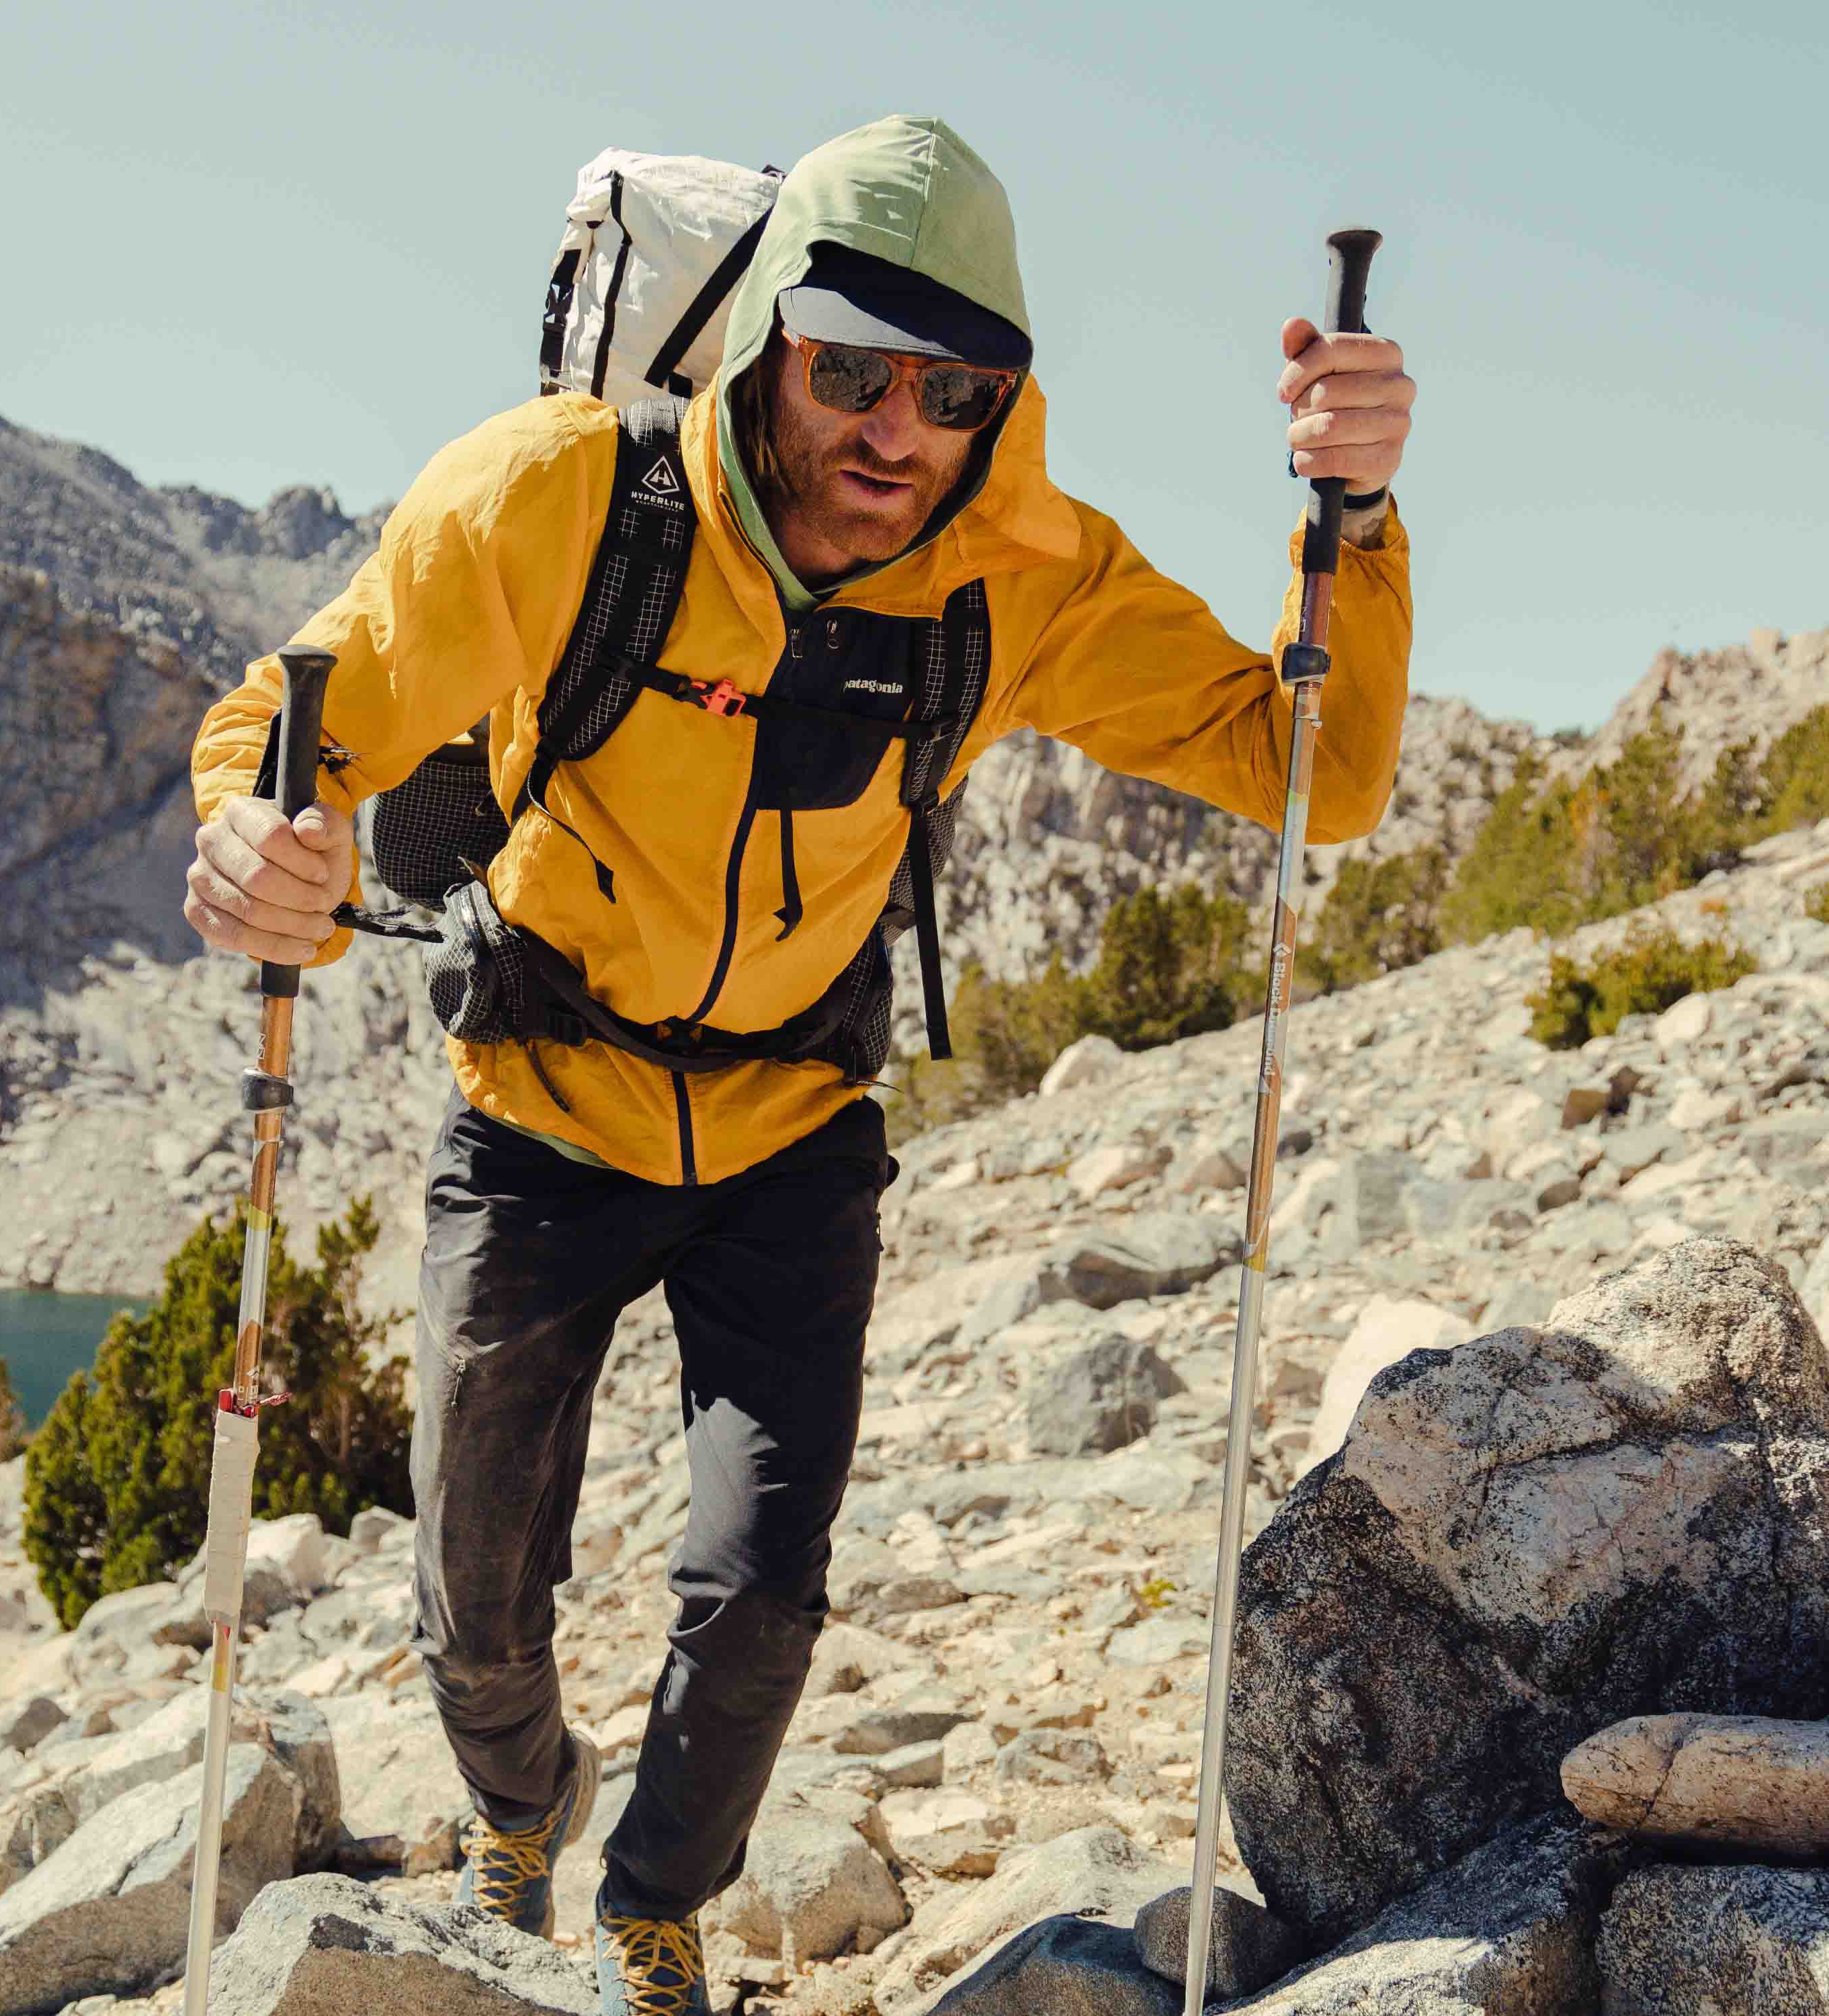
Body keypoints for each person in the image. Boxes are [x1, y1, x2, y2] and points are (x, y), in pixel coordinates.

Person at [186, 113, 1414, 2016]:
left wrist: (1355, 523)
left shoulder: (1027, 578)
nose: (895, 431)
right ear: (765, 346)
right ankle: (525, 1796)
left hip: (791, 1133)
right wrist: (258, 847)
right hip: (537, 1106)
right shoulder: (558, 504)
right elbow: (297, 724)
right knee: (473, 1596)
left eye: (953, 389)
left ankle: (653, 1910)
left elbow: (1315, 768)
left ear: (1000, 403)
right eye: (850, 371)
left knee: (762, 1583)